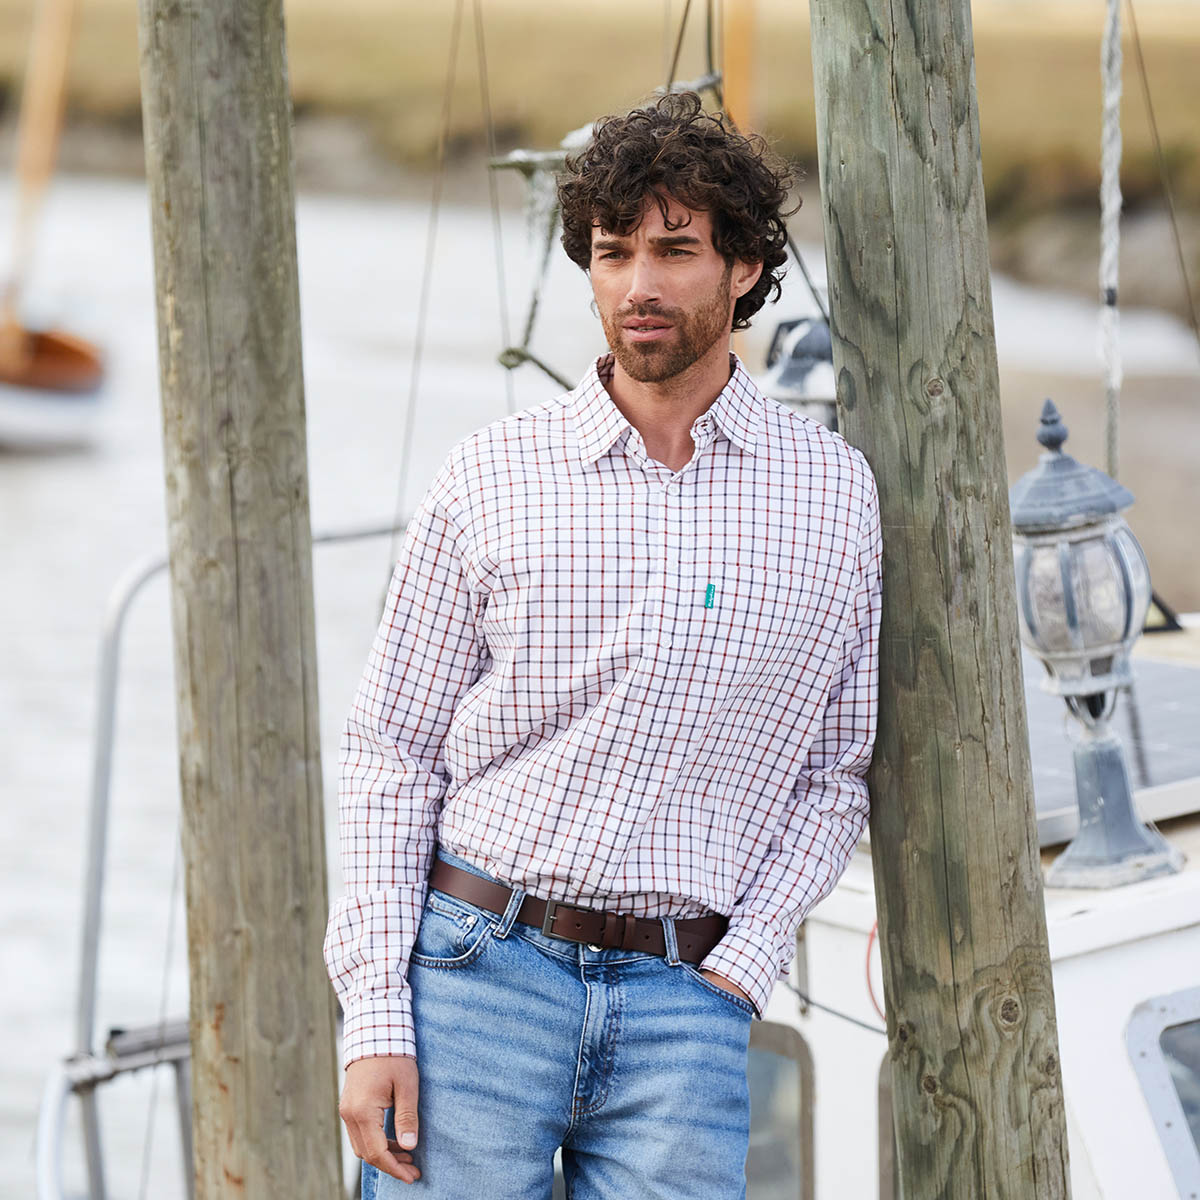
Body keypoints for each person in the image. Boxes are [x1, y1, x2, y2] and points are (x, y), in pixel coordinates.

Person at [325, 91, 882, 1199]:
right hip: (477, 973)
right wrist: (375, 1012)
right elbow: (391, 752)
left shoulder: (834, 496)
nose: (638, 284)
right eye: (612, 249)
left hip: (689, 1003)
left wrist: (743, 967)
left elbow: (835, 772)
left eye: (676, 250)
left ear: (746, 269)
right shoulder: (489, 479)